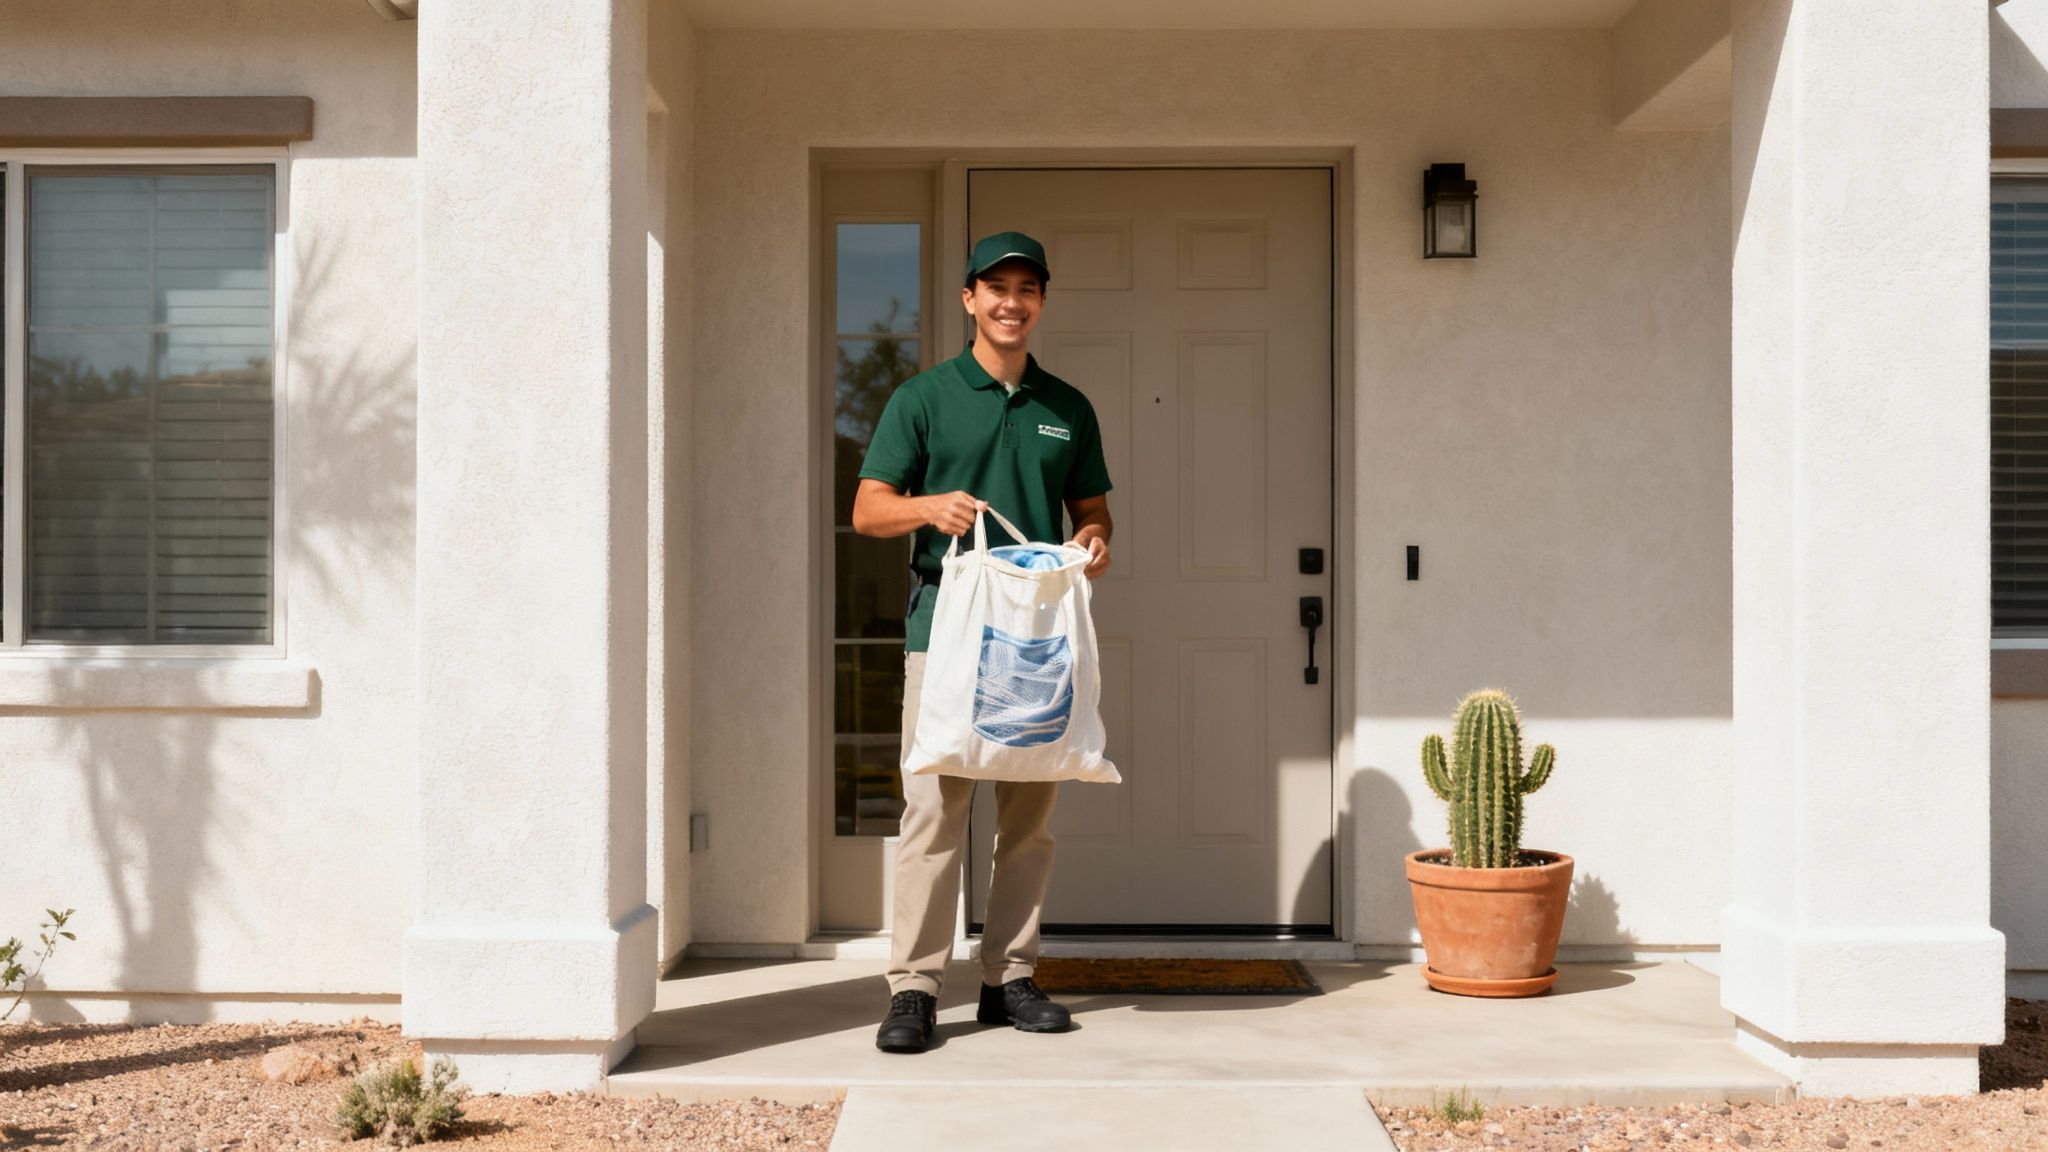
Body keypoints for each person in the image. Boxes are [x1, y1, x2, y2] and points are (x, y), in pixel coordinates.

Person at [851, 231, 1114, 1055]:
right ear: (969, 299)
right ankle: (916, 989)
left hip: (1037, 641)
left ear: (1041, 301)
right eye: (995, 287)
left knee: (1029, 816)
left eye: (1026, 288)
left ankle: (1009, 979)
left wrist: (1097, 542)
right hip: (947, 636)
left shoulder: (1066, 408)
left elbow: (1092, 512)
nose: (1011, 301)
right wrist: (929, 509)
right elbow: (868, 510)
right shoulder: (924, 398)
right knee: (934, 811)